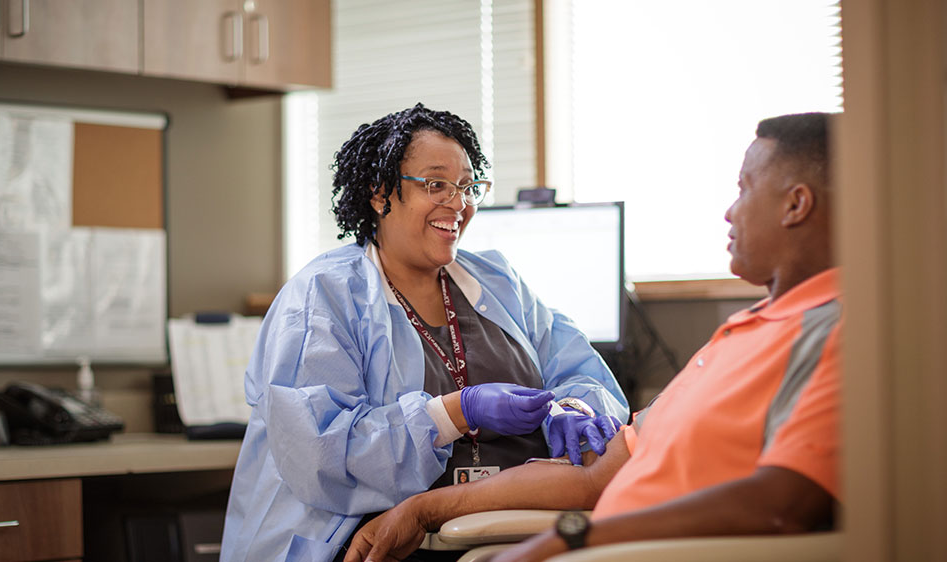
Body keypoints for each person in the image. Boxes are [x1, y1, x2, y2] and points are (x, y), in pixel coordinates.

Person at [345, 112, 841, 562]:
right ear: (380, 193)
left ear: (796, 204)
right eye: (435, 185)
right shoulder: (747, 330)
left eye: (745, 189)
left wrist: (572, 532)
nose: (730, 212)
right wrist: (425, 500)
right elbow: (593, 476)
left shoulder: (835, 335)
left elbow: (782, 504)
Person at [220, 103, 628, 562]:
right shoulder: (324, 298)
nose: (458, 204)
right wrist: (454, 413)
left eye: (467, 187)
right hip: (376, 544)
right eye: (436, 185)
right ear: (381, 194)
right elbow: (320, 455)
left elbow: (579, 368)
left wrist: (574, 408)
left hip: (507, 531)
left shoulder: (496, 281)